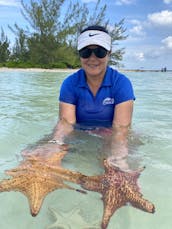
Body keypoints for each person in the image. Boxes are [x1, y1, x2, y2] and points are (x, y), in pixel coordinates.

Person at [50, 25, 135, 170]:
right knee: (39, 156)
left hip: (110, 135)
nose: (92, 58)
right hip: (79, 134)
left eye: (99, 52)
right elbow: (66, 125)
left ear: (109, 53)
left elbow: (121, 129)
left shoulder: (122, 83)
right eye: (86, 52)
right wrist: (54, 146)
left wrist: (118, 158)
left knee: (118, 167)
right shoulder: (70, 83)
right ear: (79, 54)